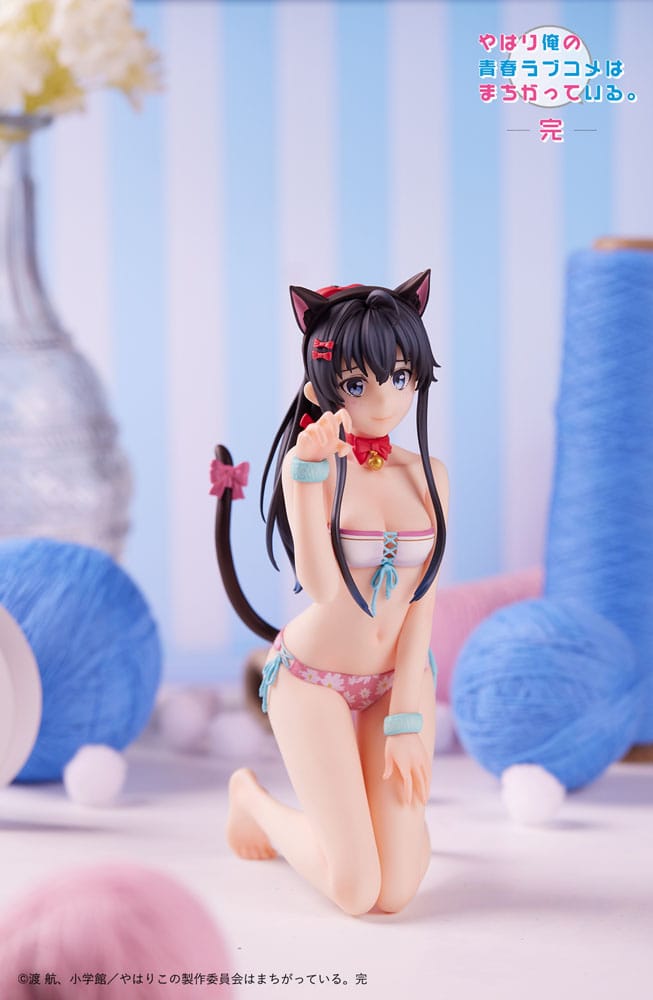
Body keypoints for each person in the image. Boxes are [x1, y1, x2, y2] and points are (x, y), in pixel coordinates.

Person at [212, 270, 449, 916]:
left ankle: (393, 834)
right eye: (357, 383)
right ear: (324, 386)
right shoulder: (315, 470)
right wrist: (304, 472)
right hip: (312, 678)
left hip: (398, 681)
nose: (384, 399)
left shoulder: (430, 476)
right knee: (356, 889)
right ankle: (253, 803)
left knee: (395, 893)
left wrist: (406, 720)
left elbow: (421, 603)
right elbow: (319, 586)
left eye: (399, 376)